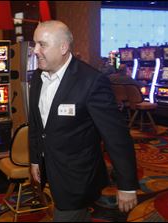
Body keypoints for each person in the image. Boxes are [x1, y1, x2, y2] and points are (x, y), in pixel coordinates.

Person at [28, 20, 139, 222]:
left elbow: (116, 137)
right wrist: (36, 159)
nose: (35, 50)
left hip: (78, 177)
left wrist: (127, 184)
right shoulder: (37, 77)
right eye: (34, 43)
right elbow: (36, 125)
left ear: (63, 47)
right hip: (50, 169)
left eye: (41, 44)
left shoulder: (92, 81)